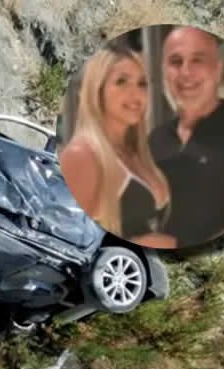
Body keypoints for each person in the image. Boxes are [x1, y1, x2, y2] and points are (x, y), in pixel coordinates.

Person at [148, 26, 224, 248]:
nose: (185, 72)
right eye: (175, 62)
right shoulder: (156, 139)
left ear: (217, 70)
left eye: (197, 60)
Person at [59, 43, 176, 248]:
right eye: (121, 82)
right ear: (98, 90)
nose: (135, 94)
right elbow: (72, 233)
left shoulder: (136, 154)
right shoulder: (83, 154)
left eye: (141, 83)